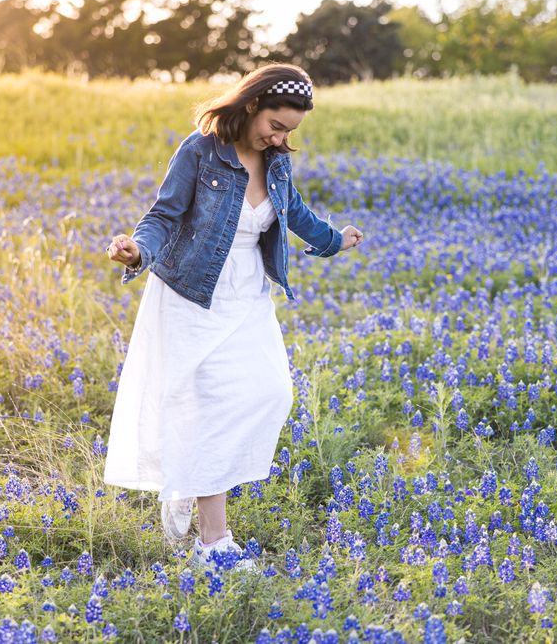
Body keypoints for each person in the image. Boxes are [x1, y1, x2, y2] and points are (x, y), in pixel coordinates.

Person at [103, 62, 363, 572]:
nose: (280, 138)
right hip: (193, 291)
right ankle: (213, 543)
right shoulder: (200, 151)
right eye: (276, 125)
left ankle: (187, 479)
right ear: (251, 105)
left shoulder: (277, 161)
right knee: (210, 405)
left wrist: (335, 240)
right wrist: (138, 252)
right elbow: (164, 215)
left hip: (247, 292)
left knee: (271, 391)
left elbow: (297, 215)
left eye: (290, 131)